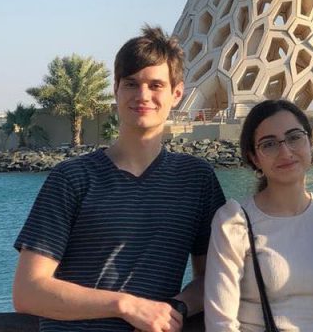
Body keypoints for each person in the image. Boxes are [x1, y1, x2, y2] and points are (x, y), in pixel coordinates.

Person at [12, 25, 226, 332]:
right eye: (131, 84)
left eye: (156, 85)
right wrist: (125, 305)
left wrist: (176, 307)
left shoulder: (196, 180)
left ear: (177, 93)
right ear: (116, 89)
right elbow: (28, 291)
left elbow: (214, 277)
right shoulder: (72, 178)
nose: (143, 96)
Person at [204, 99, 313, 331]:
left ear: (310, 142)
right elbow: (221, 323)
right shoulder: (234, 222)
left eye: (294, 137)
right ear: (254, 158)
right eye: (269, 144)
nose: (285, 152)